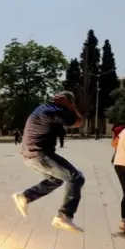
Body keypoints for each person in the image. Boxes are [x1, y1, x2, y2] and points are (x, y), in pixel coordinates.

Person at [11, 91, 85, 233]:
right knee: (76, 177)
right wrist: (71, 106)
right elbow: (79, 122)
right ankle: (64, 216)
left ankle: (25, 197)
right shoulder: (55, 111)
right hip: (40, 154)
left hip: (30, 156)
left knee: (56, 180)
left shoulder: (42, 108)